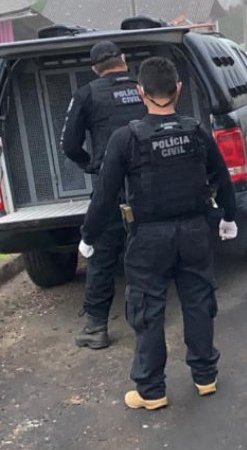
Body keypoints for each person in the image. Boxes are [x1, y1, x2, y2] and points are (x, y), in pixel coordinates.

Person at [78, 57, 238, 411]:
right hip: (195, 231)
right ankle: (205, 377)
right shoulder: (197, 131)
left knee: (148, 309)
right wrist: (227, 217)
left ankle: (151, 392)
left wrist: (88, 236)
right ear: (178, 89)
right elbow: (222, 178)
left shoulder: (126, 139)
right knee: (198, 301)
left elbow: (104, 196)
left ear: (140, 92)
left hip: (148, 238)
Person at [61, 41, 146, 350]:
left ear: (95, 68)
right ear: (124, 60)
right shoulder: (144, 86)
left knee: (102, 253)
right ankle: (148, 319)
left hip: (110, 188)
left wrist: (92, 165)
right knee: (148, 247)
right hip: (148, 182)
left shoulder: (87, 94)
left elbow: (69, 144)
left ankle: (96, 328)